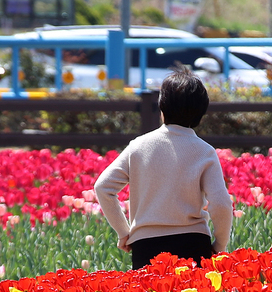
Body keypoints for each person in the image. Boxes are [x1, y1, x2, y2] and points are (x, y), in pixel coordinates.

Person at [94, 71, 233, 271]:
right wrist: (219, 245)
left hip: (146, 245)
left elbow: (103, 187)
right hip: (193, 242)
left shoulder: (139, 146)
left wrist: (124, 232)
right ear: (202, 112)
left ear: (162, 106)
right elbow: (221, 203)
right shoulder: (204, 151)